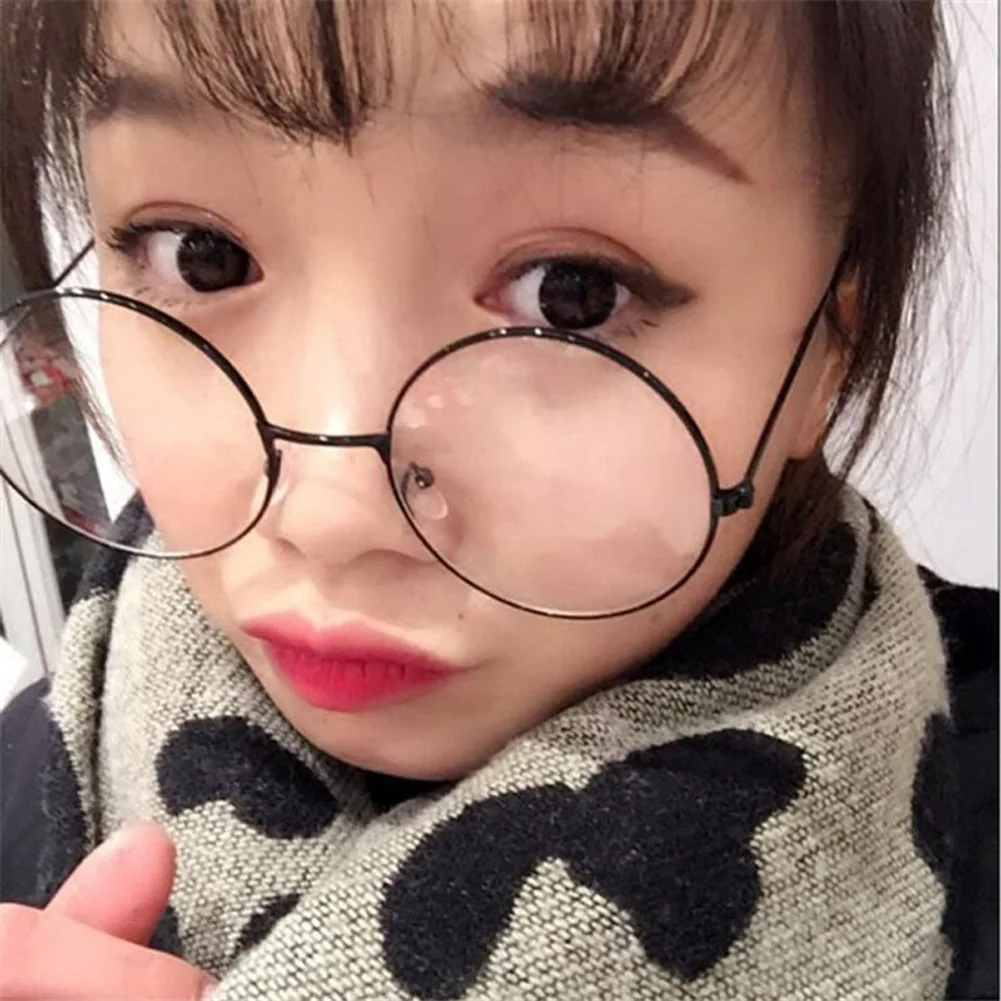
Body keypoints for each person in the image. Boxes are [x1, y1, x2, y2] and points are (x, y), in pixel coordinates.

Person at [0, 1, 996, 998]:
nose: (332, 517)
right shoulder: (29, 774)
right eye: (198, 253)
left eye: (571, 294)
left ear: (827, 350)